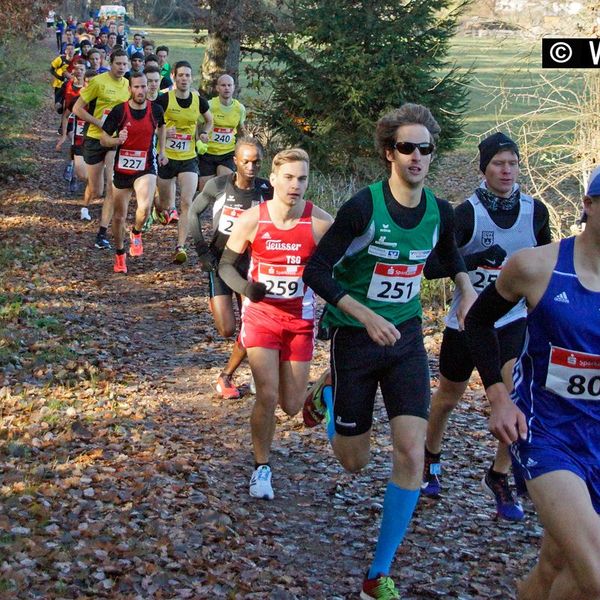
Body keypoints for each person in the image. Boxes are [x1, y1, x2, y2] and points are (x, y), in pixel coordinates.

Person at [302, 103, 477, 599]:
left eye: (425, 148)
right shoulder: (364, 207)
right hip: (355, 340)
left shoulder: (440, 210)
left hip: (404, 342)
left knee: (410, 453)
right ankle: (331, 396)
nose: (417, 156)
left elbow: (449, 255)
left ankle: (378, 573)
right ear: (389, 153)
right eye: (407, 147)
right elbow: (314, 271)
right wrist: (363, 314)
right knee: (354, 462)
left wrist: (465, 287)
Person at [464, 167, 600, 600]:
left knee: (558, 569)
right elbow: (478, 322)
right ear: (589, 206)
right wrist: (499, 397)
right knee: (596, 573)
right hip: (547, 434)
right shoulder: (536, 266)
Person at [421, 132, 552, 520]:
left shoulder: (535, 211)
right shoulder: (467, 213)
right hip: (467, 320)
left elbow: (547, 262)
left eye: (512, 162)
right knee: (448, 397)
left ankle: (499, 474)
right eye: (498, 163)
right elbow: (431, 267)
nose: (507, 170)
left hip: (512, 319)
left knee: (514, 395)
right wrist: (476, 258)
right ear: (484, 168)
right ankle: (430, 456)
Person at [218, 148, 333, 500]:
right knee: (266, 395)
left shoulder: (321, 224)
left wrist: (333, 312)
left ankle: (325, 386)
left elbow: (340, 271)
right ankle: (261, 468)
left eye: (302, 179)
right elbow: (225, 266)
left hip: (299, 319)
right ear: (274, 178)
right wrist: (246, 288)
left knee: (292, 405)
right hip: (261, 316)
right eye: (288, 178)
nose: (295, 186)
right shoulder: (253, 219)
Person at [189, 137, 273, 399]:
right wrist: (202, 250)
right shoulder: (219, 185)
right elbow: (192, 213)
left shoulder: (266, 191)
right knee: (226, 329)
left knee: (251, 326)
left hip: (252, 266)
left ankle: (226, 376)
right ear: (235, 161)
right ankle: (217, 300)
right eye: (245, 161)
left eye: (256, 162)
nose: (251, 167)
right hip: (220, 263)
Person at [99, 72, 168, 274]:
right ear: (130, 89)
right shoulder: (119, 111)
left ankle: (136, 232)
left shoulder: (156, 110)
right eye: (136, 87)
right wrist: (116, 141)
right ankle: (120, 254)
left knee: (145, 208)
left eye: (143, 86)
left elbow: (162, 127)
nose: (140, 91)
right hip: (122, 169)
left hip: (146, 166)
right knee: (119, 217)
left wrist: (162, 150)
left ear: (148, 88)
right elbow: (104, 139)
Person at [155, 61, 213, 263]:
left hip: (188, 158)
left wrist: (204, 133)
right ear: (173, 77)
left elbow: (209, 120)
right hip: (166, 157)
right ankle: (159, 208)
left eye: (188, 75)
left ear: (192, 78)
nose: (184, 79)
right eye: (181, 75)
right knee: (165, 205)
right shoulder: (164, 100)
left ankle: (181, 246)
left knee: (187, 202)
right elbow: (149, 122)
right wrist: (161, 131)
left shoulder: (199, 101)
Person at [73, 48, 130, 248]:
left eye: (125, 64)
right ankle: (86, 202)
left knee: (112, 185)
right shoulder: (98, 82)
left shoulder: (128, 86)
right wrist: (99, 122)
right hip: (94, 138)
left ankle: (102, 232)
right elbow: (77, 108)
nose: (122, 68)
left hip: (114, 141)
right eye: (118, 64)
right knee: (96, 188)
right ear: (110, 63)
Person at [198, 74, 246, 191]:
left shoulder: (239, 108)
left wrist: (245, 145)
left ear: (234, 87)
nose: (226, 88)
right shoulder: (209, 105)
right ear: (217, 88)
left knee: (225, 185)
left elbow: (241, 129)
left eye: (229, 85)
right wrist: (199, 139)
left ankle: (221, 208)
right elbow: (197, 124)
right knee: (204, 190)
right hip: (208, 152)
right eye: (223, 85)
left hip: (227, 153)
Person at [56, 61, 88, 196]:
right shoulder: (67, 85)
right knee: (74, 139)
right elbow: (58, 100)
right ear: (73, 71)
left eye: (82, 69)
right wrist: (57, 104)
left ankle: (72, 165)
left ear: (85, 71)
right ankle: (73, 173)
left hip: (85, 120)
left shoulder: (89, 87)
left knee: (82, 146)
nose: (79, 71)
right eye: (77, 69)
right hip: (70, 120)